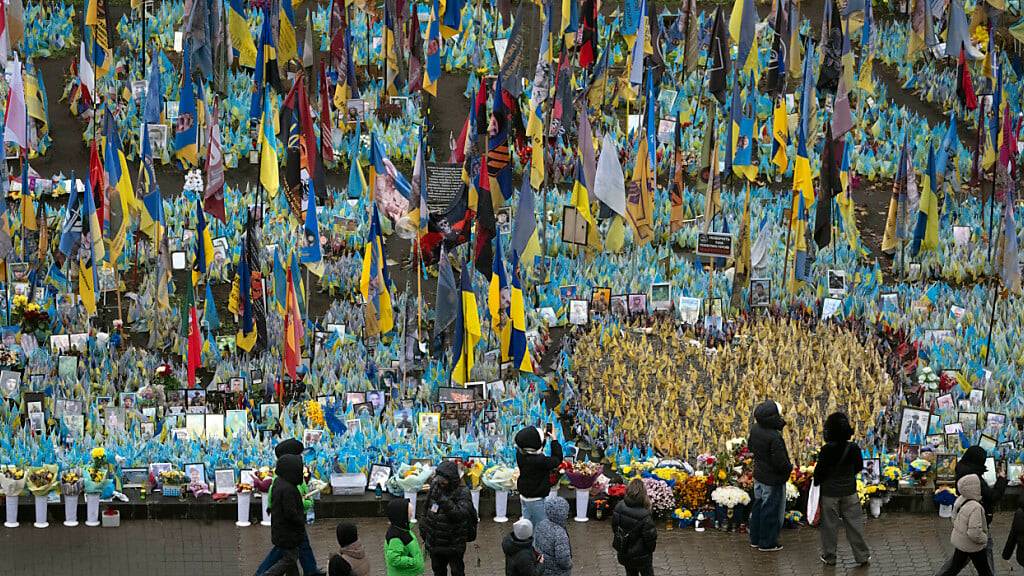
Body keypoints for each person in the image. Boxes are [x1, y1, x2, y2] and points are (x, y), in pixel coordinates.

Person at [256, 440, 325, 576]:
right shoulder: (286, 480)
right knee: (285, 553)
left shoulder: (285, 475)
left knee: (298, 548)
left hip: (289, 523)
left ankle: (310, 570)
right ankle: (262, 573)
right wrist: (304, 503)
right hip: (290, 523)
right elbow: (290, 502)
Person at [813, 412, 870, 566]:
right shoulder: (853, 448)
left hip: (830, 494)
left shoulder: (826, 450)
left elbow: (819, 472)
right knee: (854, 525)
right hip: (850, 492)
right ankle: (862, 555)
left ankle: (830, 556)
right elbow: (858, 467)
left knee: (830, 527)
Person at [949, 445, 1007, 573]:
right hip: (977, 521)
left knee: (957, 561)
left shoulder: (963, 470)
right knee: (983, 555)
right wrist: (1002, 479)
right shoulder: (973, 478)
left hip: (965, 520)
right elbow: (993, 496)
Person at [747, 400, 792, 552]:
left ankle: (755, 538)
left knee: (758, 506)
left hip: (759, 474)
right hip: (772, 479)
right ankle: (767, 542)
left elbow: (750, 447)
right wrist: (788, 469)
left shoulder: (755, 429)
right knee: (770, 510)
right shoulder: (774, 436)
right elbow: (780, 461)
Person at [419, 461, 477, 576]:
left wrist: (442, 499)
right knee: (438, 570)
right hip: (435, 542)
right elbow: (425, 509)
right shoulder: (435, 487)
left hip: (453, 543)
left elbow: (460, 515)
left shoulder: (462, 492)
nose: (441, 483)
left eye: (444, 480)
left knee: (457, 571)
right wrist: (424, 529)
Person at [935, 474, 993, 576]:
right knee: (985, 571)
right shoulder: (976, 507)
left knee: (953, 568)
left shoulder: (960, 499)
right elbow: (974, 533)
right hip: (974, 545)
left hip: (961, 542)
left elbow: (953, 518)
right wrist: (984, 539)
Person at [262, 454, 307, 576]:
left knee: (291, 561)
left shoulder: (279, 482)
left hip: (281, 530)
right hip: (288, 533)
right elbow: (290, 513)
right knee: (290, 559)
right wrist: (301, 520)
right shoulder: (289, 489)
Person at [515, 426, 563, 528]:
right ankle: (538, 543)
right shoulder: (541, 461)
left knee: (527, 523)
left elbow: (535, 447)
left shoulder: (520, 454)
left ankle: (527, 540)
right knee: (541, 526)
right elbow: (557, 459)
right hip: (536, 499)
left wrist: (543, 438)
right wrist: (554, 440)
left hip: (524, 495)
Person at [611, 478, 658, 576]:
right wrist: (649, 550)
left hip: (624, 552)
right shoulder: (645, 515)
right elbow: (650, 539)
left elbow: (615, 528)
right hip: (642, 557)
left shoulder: (619, 506)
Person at [384, 498, 424, 576]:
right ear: (402, 516)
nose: (412, 515)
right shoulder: (395, 537)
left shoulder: (404, 529)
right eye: (409, 514)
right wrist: (414, 562)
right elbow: (394, 559)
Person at [533, 496, 572, 576]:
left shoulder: (541, 524)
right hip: (557, 572)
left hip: (543, 567)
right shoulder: (560, 533)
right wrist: (569, 564)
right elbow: (563, 559)